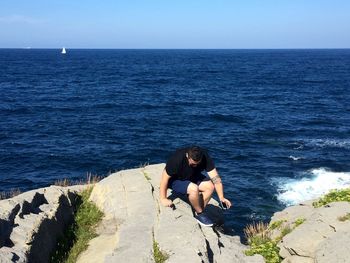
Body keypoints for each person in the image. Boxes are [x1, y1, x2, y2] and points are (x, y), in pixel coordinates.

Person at [160, 145, 232, 227]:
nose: (195, 166)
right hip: (175, 180)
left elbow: (216, 179)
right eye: (193, 164)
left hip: (191, 176)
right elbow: (164, 178)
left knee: (210, 186)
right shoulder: (177, 159)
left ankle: (198, 211)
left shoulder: (204, 157)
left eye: (197, 164)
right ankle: (200, 214)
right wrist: (163, 198)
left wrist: (221, 197)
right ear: (187, 156)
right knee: (194, 188)